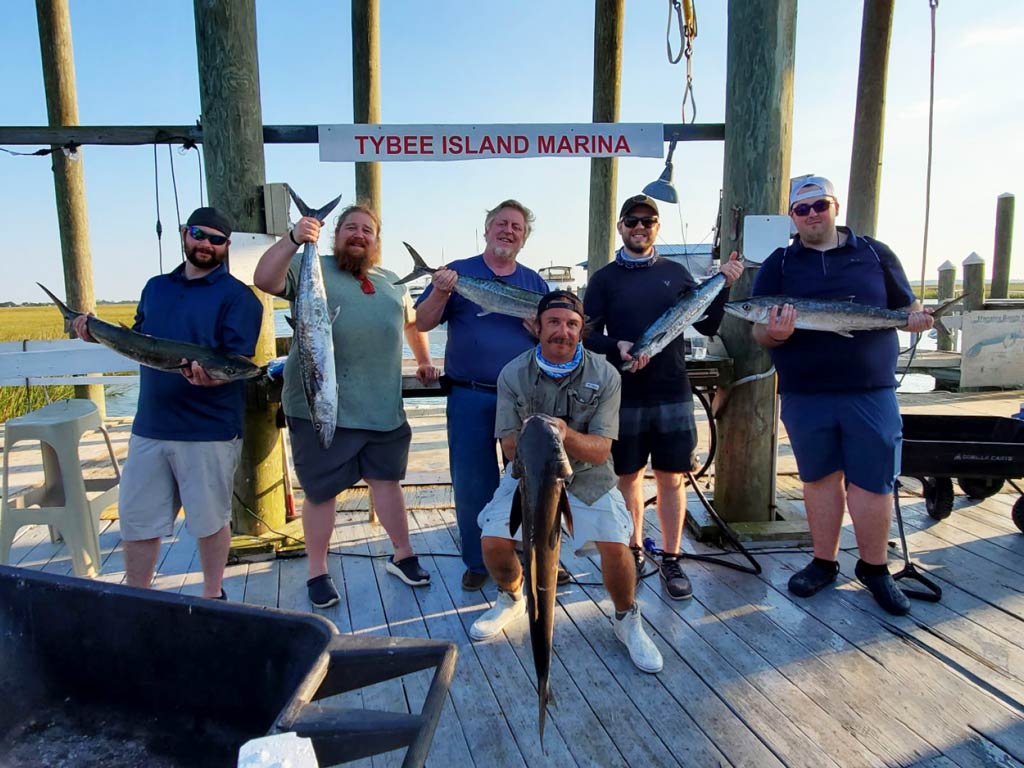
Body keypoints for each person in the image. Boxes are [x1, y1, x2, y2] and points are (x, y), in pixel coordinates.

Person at [750, 175, 934, 616]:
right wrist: (773, 334)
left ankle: (875, 568)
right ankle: (824, 562)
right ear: (792, 217)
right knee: (817, 479)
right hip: (805, 392)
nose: (813, 215)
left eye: (820, 205)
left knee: (873, 480)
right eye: (802, 209)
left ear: (835, 206)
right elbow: (760, 333)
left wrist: (918, 319)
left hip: (871, 390)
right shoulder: (779, 262)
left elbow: (905, 306)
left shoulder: (875, 252)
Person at [254, 203, 440, 609]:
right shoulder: (313, 266)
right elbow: (263, 279)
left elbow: (411, 324)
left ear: (376, 240)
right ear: (336, 235)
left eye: (367, 230)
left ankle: (403, 555)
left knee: (387, 483)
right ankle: (317, 571)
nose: (358, 235)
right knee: (321, 492)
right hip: (320, 406)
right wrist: (292, 238)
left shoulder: (392, 281)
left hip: (382, 406)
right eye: (350, 228)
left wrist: (424, 360)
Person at [73, 207, 263, 599]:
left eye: (216, 239)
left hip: (209, 431)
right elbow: (138, 340)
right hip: (150, 426)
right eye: (199, 234)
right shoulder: (155, 287)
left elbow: (237, 362)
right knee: (138, 520)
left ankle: (213, 595)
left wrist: (210, 379)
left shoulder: (240, 298)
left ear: (227, 246)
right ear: (184, 233)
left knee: (210, 521)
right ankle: (138, 598)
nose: (206, 244)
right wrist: (96, 333)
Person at [469, 290, 662, 673]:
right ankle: (511, 597)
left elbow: (600, 451)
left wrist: (562, 433)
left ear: (582, 330)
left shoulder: (605, 374)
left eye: (572, 324)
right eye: (554, 322)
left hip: (588, 476)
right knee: (492, 541)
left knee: (616, 546)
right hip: (529, 473)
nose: (563, 331)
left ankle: (626, 617)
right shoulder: (512, 373)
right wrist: (531, 436)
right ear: (537, 327)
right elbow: (509, 450)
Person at [583, 194, 743, 600]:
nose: (640, 227)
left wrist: (723, 282)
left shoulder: (676, 273)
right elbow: (584, 334)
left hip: (672, 389)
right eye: (632, 221)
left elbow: (706, 324)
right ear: (620, 227)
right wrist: (615, 345)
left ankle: (671, 557)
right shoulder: (603, 279)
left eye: (648, 221)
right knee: (628, 477)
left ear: (657, 227)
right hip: (623, 393)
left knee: (673, 478)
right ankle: (634, 548)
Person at [415, 200, 550, 591]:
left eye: (517, 227)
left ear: (524, 238)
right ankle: (478, 560)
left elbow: (555, 337)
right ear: (487, 229)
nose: (509, 231)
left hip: (524, 399)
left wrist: (538, 331)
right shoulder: (459, 272)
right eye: (502, 224)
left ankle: (531, 553)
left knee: (530, 480)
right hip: (469, 394)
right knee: (473, 482)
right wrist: (440, 292)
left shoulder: (535, 283)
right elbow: (422, 321)